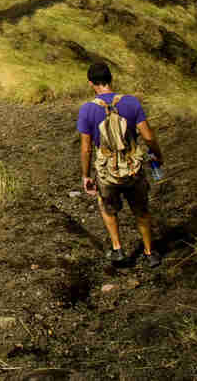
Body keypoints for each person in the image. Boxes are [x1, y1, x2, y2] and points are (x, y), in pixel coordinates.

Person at [77, 62, 164, 267]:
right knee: (141, 210)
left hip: (107, 171)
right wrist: (157, 155)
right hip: (133, 167)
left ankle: (118, 249)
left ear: (91, 83)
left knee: (108, 208)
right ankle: (150, 252)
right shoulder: (131, 103)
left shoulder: (87, 109)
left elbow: (86, 148)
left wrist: (86, 175)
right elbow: (148, 136)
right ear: (111, 79)